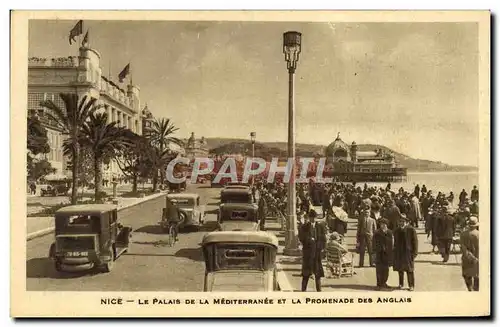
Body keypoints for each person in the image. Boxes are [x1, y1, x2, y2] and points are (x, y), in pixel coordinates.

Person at [298, 209, 327, 291]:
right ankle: (303, 291)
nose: (313, 219)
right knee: (306, 274)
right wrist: (309, 240)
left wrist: (321, 248)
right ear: (309, 218)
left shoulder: (320, 227)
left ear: (316, 218)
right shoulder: (305, 227)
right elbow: (301, 238)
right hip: (308, 254)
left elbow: (323, 239)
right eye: (311, 218)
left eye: (314, 218)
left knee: (317, 274)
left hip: (317, 254)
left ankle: (319, 291)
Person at [393, 214, 418, 291]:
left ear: (406, 222)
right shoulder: (396, 230)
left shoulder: (411, 229)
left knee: (409, 270)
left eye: (403, 221)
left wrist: (415, 253)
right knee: (400, 269)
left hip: (408, 253)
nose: (401, 223)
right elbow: (394, 242)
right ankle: (401, 284)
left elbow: (415, 242)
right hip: (399, 253)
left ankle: (411, 285)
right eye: (400, 221)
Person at [460, 216, 479, 291]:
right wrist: (476, 258)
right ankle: (476, 289)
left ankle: (470, 288)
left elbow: (463, 248)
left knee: (467, 275)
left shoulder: (463, 234)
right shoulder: (479, 234)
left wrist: (469, 256)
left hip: (466, 258)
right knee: (477, 275)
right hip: (478, 258)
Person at [374, 218, 393, 290]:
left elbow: (391, 244)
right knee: (379, 269)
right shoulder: (377, 232)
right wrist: (374, 252)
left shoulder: (390, 232)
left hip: (387, 254)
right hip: (379, 253)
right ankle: (379, 284)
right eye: (381, 224)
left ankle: (384, 283)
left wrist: (391, 254)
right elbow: (374, 243)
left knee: (386, 269)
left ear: (387, 225)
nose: (383, 226)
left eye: (384, 224)